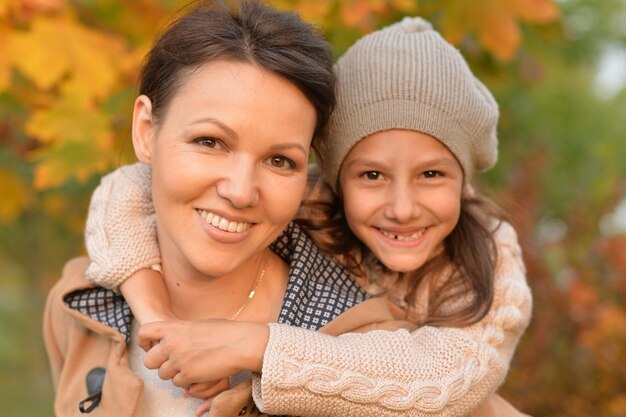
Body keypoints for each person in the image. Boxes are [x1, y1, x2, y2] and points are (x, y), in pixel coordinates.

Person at [76, 13, 532, 417]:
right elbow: (128, 188)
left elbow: (447, 381)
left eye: (432, 174)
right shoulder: (308, 204)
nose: (402, 208)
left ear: (464, 179)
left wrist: (256, 351)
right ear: (333, 177)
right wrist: (159, 320)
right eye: (371, 174)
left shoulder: (489, 259)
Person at [41, 1, 371, 416]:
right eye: (210, 142)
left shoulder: (356, 337)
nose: (240, 191)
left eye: (279, 160)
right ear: (146, 131)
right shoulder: (78, 305)